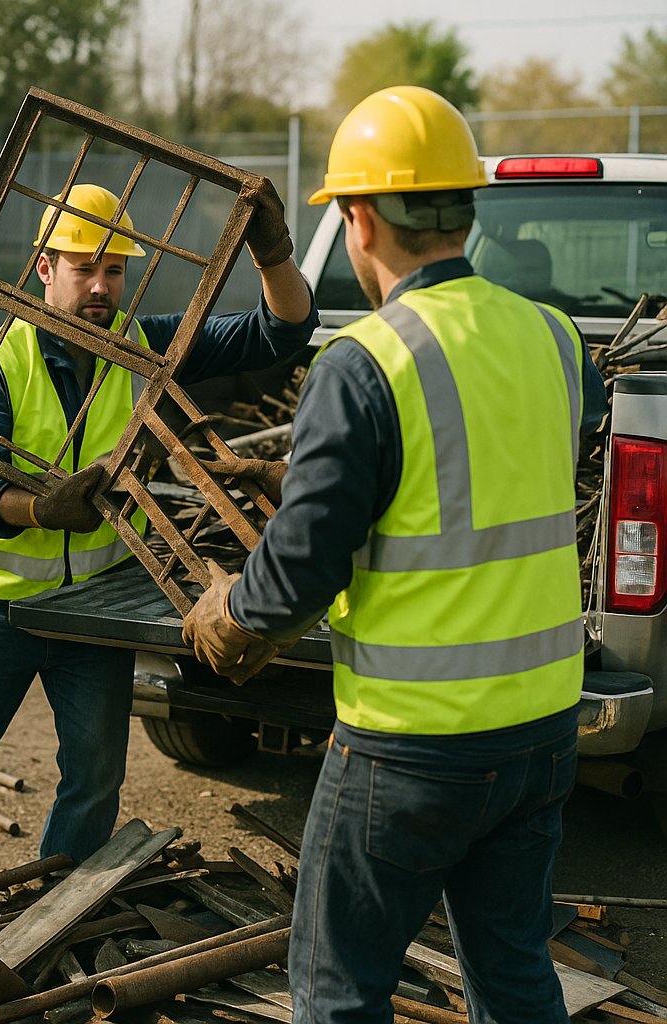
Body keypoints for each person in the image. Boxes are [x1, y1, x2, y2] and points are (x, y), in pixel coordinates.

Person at [181, 86, 608, 1024]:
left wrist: (228, 619)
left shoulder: (366, 361)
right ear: (463, 210)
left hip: (412, 742)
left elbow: (299, 570)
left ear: (360, 218)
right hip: (541, 727)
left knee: (337, 992)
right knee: (515, 977)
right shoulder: (557, 340)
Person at [0, 180, 318, 930]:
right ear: (44, 268)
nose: (103, 287)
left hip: (95, 603)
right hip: (0, 602)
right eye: (86, 269)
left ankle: (63, 895)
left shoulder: (145, 347)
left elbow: (280, 334)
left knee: (95, 768)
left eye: (115, 270)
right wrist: (41, 508)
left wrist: (273, 253)